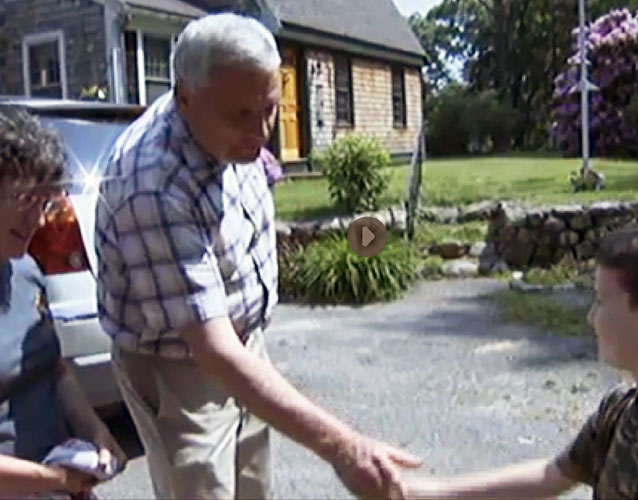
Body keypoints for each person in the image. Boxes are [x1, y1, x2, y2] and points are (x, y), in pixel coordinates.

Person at [95, 12, 420, 500]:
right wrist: (343, 447)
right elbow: (213, 349)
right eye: (241, 117)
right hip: (178, 368)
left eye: (269, 109)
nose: (261, 130)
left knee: (253, 489)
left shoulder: (226, 121)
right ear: (185, 97)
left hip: (243, 346)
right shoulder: (152, 184)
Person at [399, 218, 638, 500]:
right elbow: (555, 473)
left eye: (601, 301)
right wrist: (426, 491)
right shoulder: (620, 407)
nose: (591, 316)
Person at [0, 107, 126, 498]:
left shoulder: (25, 272)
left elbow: (54, 370)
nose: (38, 220)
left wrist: (95, 431)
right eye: (26, 200)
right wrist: (55, 479)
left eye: (45, 204)